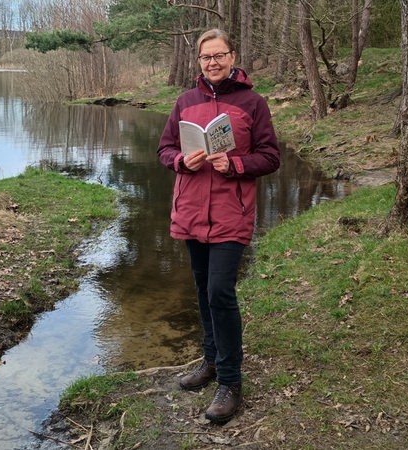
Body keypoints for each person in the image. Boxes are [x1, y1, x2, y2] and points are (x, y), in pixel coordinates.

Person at [157, 29, 281, 424]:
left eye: (219, 55)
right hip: (191, 208)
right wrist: (181, 161)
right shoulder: (184, 101)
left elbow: (271, 156)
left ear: (232, 57)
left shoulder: (252, 103)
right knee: (201, 288)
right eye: (205, 57)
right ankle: (210, 361)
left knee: (220, 291)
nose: (212, 62)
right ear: (199, 61)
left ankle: (230, 381)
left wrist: (237, 164)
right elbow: (164, 150)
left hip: (232, 211)